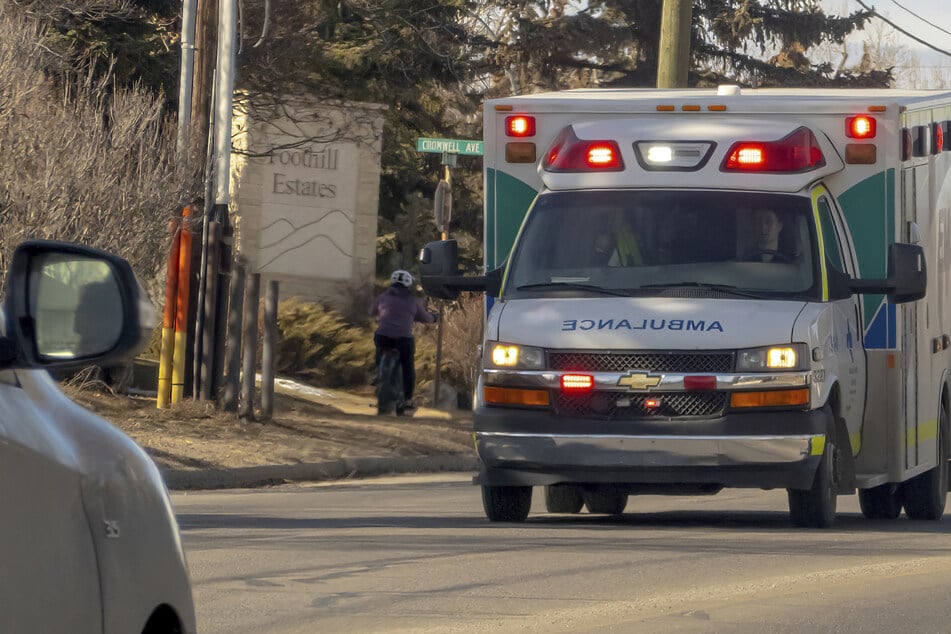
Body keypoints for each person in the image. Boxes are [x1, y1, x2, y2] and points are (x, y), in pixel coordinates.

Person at [370, 269, 436, 412]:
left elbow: (372, 312)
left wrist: (379, 316)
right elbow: (425, 318)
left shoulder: (382, 298)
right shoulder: (413, 301)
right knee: (408, 367)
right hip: (403, 339)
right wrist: (434, 318)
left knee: (379, 345)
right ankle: (407, 399)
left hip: (383, 336)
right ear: (408, 285)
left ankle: (376, 372)